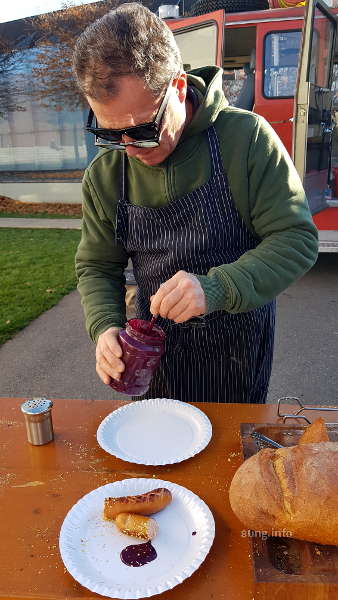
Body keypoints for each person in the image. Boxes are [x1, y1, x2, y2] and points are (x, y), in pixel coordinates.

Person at [73, 3, 318, 404]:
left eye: (142, 128)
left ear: (180, 88)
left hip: (234, 349)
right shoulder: (104, 175)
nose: (129, 148)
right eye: (111, 133)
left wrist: (217, 288)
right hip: (152, 355)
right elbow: (97, 265)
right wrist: (104, 326)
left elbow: (296, 239)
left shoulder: (246, 139)